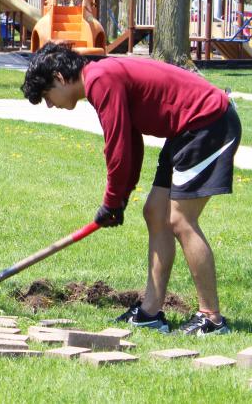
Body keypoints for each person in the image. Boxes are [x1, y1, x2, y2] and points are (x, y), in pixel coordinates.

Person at [21, 42, 241, 335]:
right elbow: (131, 142)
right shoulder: (101, 78)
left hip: (208, 122)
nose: (50, 105)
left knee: (180, 219)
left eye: (47, 96)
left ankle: (211, 318)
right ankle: (150, 313)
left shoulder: (101, 80)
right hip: (185, 130)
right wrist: (121, 197)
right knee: (154, 212)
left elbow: (118, 148)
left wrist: (111, 202)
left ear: (60, 78)